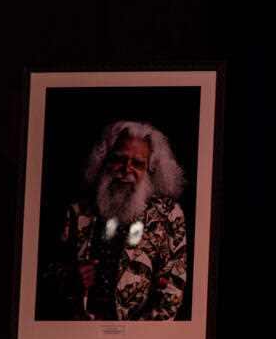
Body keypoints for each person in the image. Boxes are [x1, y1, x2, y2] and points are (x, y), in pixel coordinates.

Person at [45, 120, 187, 321]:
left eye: (137, 163)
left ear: (150, 169)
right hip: (79, 332)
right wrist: (69, 279)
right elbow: (48, 273)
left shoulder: (169, 214)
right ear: (104, 160)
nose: (126, 168)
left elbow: (173, 289)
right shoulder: (77, 210)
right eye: (119, 159)